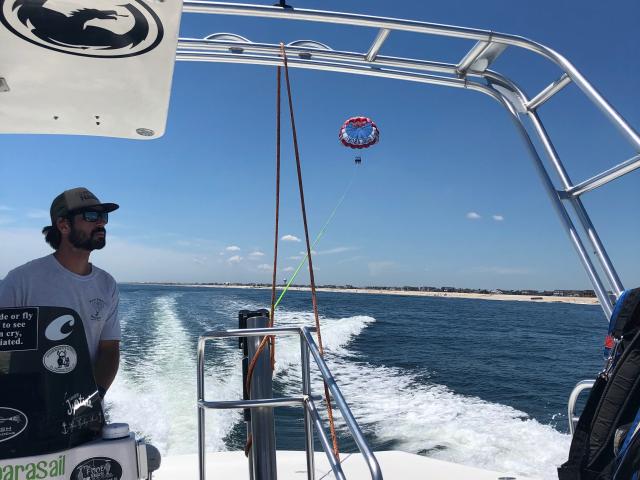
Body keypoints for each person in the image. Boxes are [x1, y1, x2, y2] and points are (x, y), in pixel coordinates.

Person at [0, 187, 120, 399]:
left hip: (83, 406)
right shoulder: (21, 281)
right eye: (92, 216)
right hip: (27, 407)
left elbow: (109, 349)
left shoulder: (107, 284)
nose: (101, 222)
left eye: (103, 216)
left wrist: (94, 398)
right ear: (64, 225)